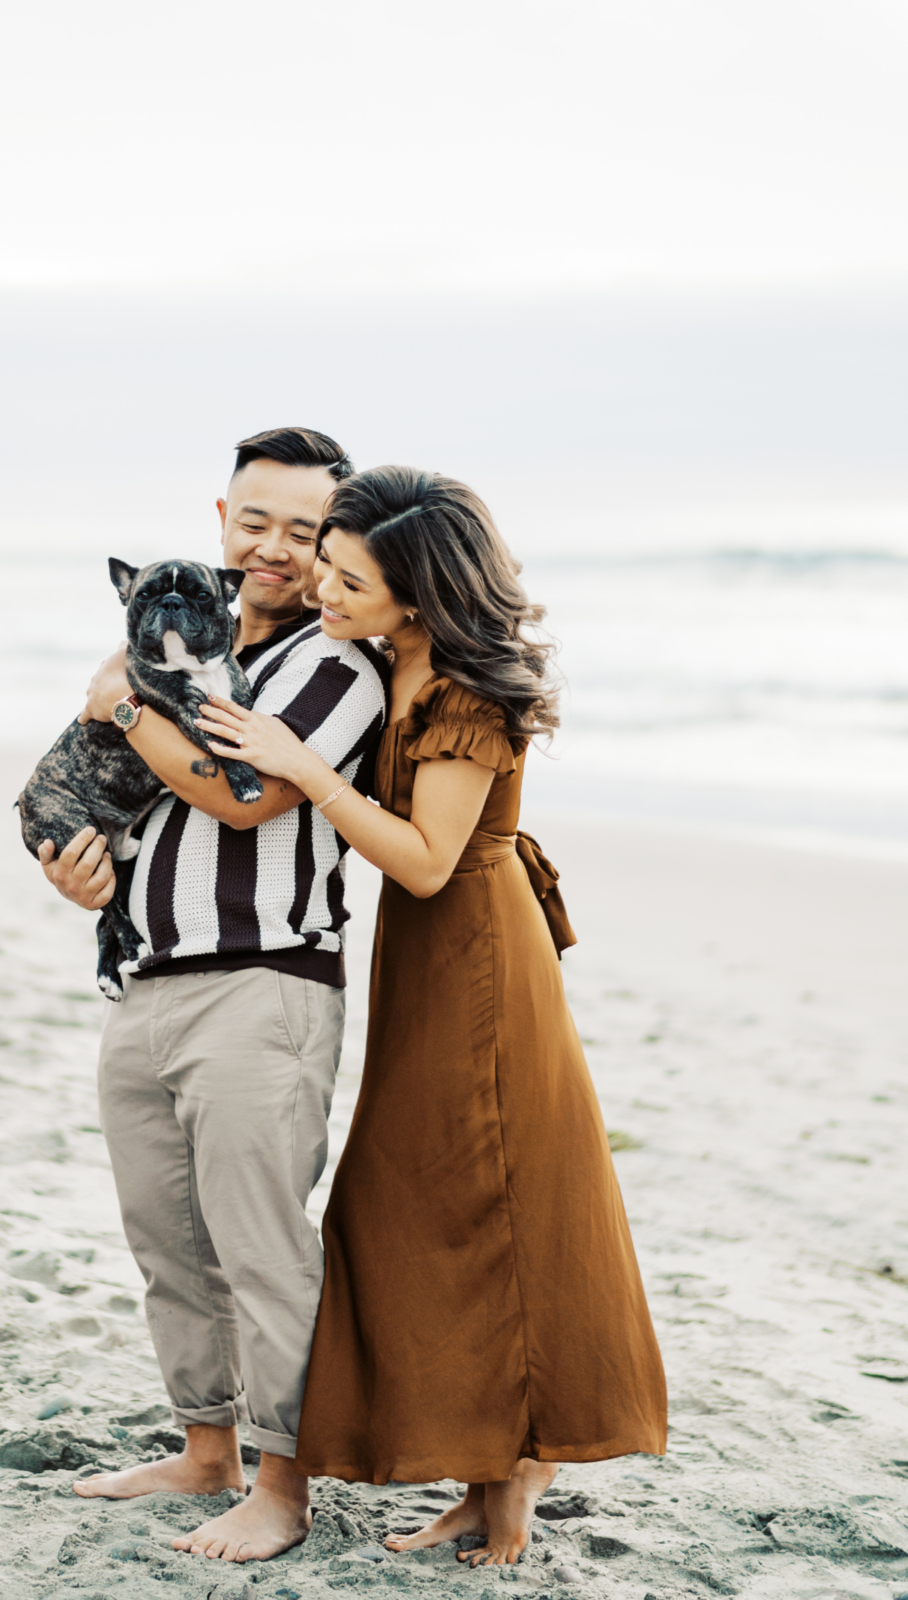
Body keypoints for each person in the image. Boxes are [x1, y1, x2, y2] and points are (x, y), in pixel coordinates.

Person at [195, 466, 668, 1568]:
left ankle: (510, 1492)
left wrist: (304, 768)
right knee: (422, 1202)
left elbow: (423, 860)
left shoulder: (462, 689)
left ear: (414, 594)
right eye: (329, 562)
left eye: (349, 576)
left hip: (478, 960)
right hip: (425, 962)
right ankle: (478, 1469)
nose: (322, 583)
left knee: (491, 1200)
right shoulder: (384, 659)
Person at [38, 427, 387, 1562]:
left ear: (334, 539)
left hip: (264, 984)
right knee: (167, 1239)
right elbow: (118, 803)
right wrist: (72, 864)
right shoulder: (176, 640)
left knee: (260, 1244)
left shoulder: (333, 669)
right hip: (147, 978)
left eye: (304, 530)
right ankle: (206, 1449)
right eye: (257, 521)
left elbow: (247, 801)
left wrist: (121, 706)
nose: (277, 547)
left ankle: (282, 1485)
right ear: (221, 522)